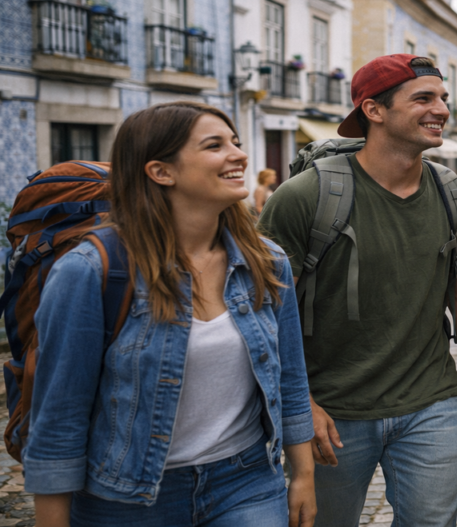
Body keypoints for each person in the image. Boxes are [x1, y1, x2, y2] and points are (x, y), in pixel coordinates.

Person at [26, 102, 317, 527]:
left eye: (235, 142)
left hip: (247, 483)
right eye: (215, 145)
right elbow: (59, 415)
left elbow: (290, 375)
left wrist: (303, 475)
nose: (239, 155)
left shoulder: (266, 261)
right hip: (127, 499)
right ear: (161, 171)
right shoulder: (91, 271)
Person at [259, 54, 457, 527]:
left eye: (443, 98)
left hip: (431, 402)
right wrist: (302, 406)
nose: (441, 109)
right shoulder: (304, 198)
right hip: (333, 412)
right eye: (423, 98)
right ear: (374, 110)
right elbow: (266, 312)